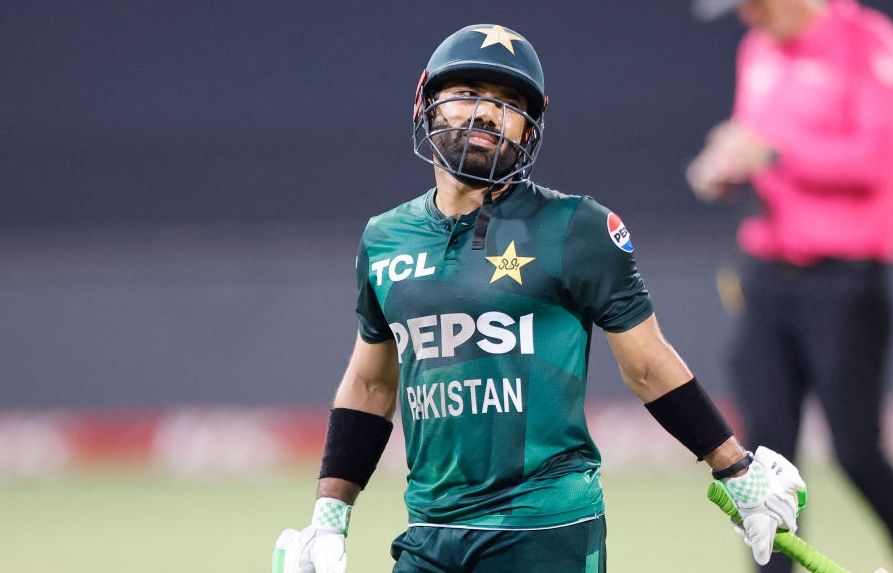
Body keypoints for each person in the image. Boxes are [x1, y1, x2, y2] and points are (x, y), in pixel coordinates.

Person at [274, 23, 807, 573]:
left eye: (507, 103)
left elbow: (649, 365)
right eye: (466, 94)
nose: (484, 113)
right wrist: (330, 517)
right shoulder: (384, 238)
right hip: (429, 532)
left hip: (547, 530)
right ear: (427, 102)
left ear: (529, 129)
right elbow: (370, 383)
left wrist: (735, 468)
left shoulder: (577, 227)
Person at [686, 1, 893, 572]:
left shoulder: (870, 45)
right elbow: (752, 147)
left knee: (857, 452)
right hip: (767, 275)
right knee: (759, 463)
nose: (746, 18)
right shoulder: (757, 50)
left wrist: (773, 153)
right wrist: (727, 167)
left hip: (845, 281)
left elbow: (878, 159)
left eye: (751, 4)